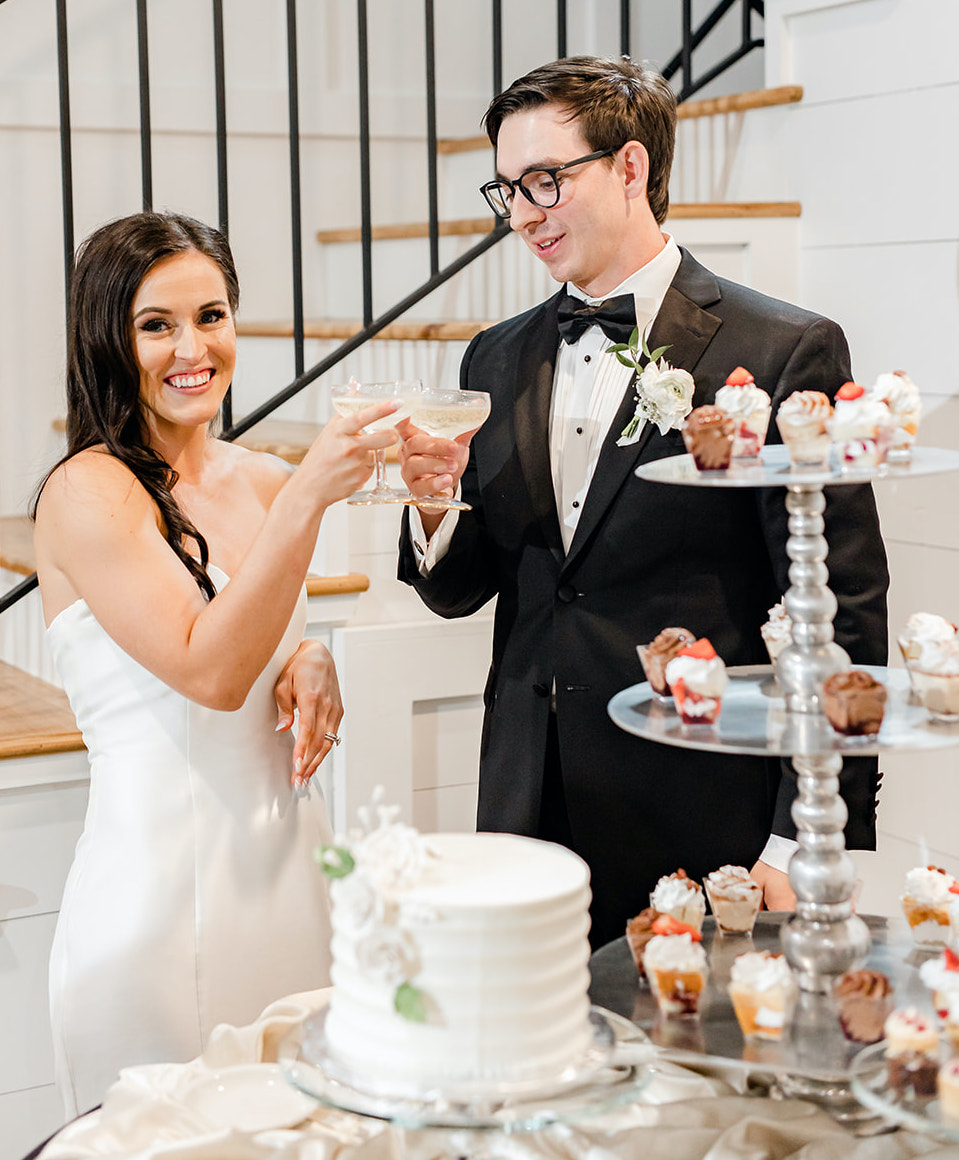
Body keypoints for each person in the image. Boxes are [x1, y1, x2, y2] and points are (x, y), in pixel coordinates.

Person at [396, 57, 888, 948]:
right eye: (506, 188)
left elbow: (839, 610)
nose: (522, 213)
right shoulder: (492, 358)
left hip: (703, 806)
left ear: (629, 169)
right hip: (526, 802)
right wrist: (432, 508)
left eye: (545, 179)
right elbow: (462, 589)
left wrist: (803, 828)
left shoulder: (783, 349)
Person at [32, 211, 400, 1116]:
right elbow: (210, 671)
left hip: (290, 881)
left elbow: (260, 634)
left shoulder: (263, 480)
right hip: (158, 911)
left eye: (213, 315)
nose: (192, 347)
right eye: (155, 324)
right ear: (107, 339)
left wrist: (311, 653)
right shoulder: (87, 490)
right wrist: (315, 487)